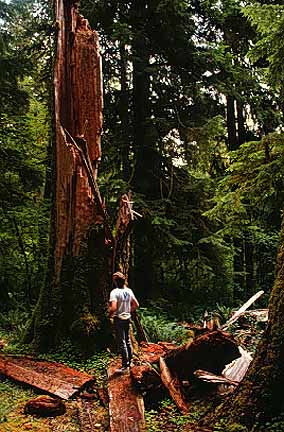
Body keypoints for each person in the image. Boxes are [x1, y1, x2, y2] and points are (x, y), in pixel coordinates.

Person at [109, 271, 139, 373]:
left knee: (122, 343)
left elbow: (113, 307)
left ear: (115, 282)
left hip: (119, 319)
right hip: (127, 318)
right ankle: (130, 362)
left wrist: (109, 315)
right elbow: (136, 305)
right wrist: (128, 310)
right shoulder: (129, 291)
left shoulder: (114, 292)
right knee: (128, 341)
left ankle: (125, 367)